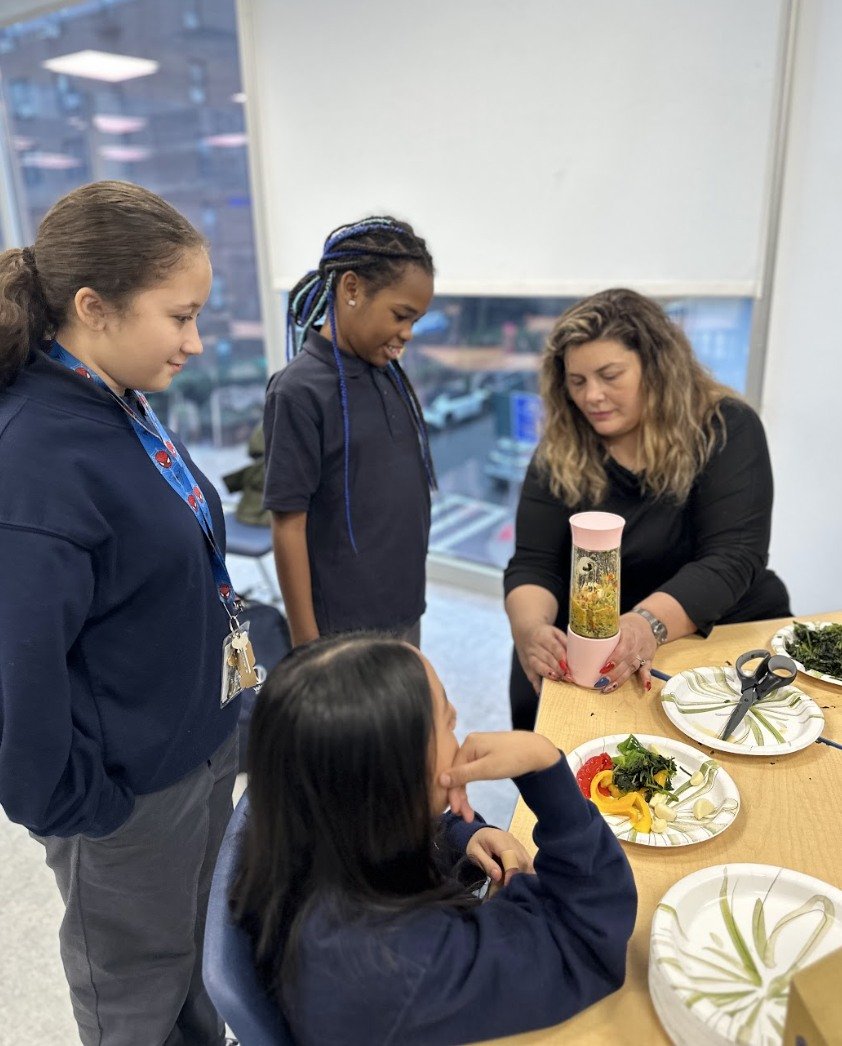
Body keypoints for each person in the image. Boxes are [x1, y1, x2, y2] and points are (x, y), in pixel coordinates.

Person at [0, 181, 242, 1045]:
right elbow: (16, 683)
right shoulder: (32, 456)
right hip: (128, 798)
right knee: (135, 1000)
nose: (195, 341)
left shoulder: (119, 404)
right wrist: (89, 811)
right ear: (93, 307)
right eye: (179, 317)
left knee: (197, 962)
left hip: (193, 754)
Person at [230, 634, 637, 1045]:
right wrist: (544, 768)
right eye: (445, 719)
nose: (457, 715)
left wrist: (462, 836)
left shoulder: (301, 835)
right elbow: (587, 946)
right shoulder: (402, 965)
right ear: (395, 781)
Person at [505, 288, 791, 729]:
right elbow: (533, 564)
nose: (591, 396)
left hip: (710, 624)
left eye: (610, 375)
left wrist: (645, 625)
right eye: (577, 381)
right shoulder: (561, 447)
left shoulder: (724, 427)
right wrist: (530, 631)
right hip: (592, 636)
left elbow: (734, 557)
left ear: (656, 369)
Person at [263, 217, 436, 647]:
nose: (408, 334)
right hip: (342, 629)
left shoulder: (388, 374)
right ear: (352, 289)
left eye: (415, 320)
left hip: (403, 608)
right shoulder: (298, 391)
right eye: (401, 315)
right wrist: (306, 643)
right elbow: (288, 524)